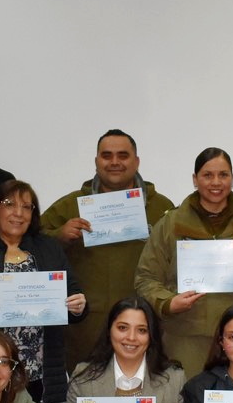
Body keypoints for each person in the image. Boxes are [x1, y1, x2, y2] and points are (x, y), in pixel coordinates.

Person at [41, 129, 177, 371]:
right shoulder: (69, 206)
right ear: (96, 162)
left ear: (136, 162)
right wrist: (58, 236)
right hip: (85, 331)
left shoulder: (162, 208)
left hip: (144, 329)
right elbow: (29, 247)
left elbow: (180, 260)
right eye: (107, 156)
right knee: (89, 401)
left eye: (123, 156)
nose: (114, 162)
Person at [0, 180, 86, 403]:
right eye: (9, 204)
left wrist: (77, 306)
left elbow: (74, 293)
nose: (18, 213)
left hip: (37, 369)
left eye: (27, 207)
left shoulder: (49, 247)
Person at [135, 148, 233, 377]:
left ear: (232, 178)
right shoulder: (171, 224)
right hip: (185, 338)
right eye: (207, 175)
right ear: (195, 179)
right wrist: (168, 303)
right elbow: (145, 278)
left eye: (223, 175)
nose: (216, 182)